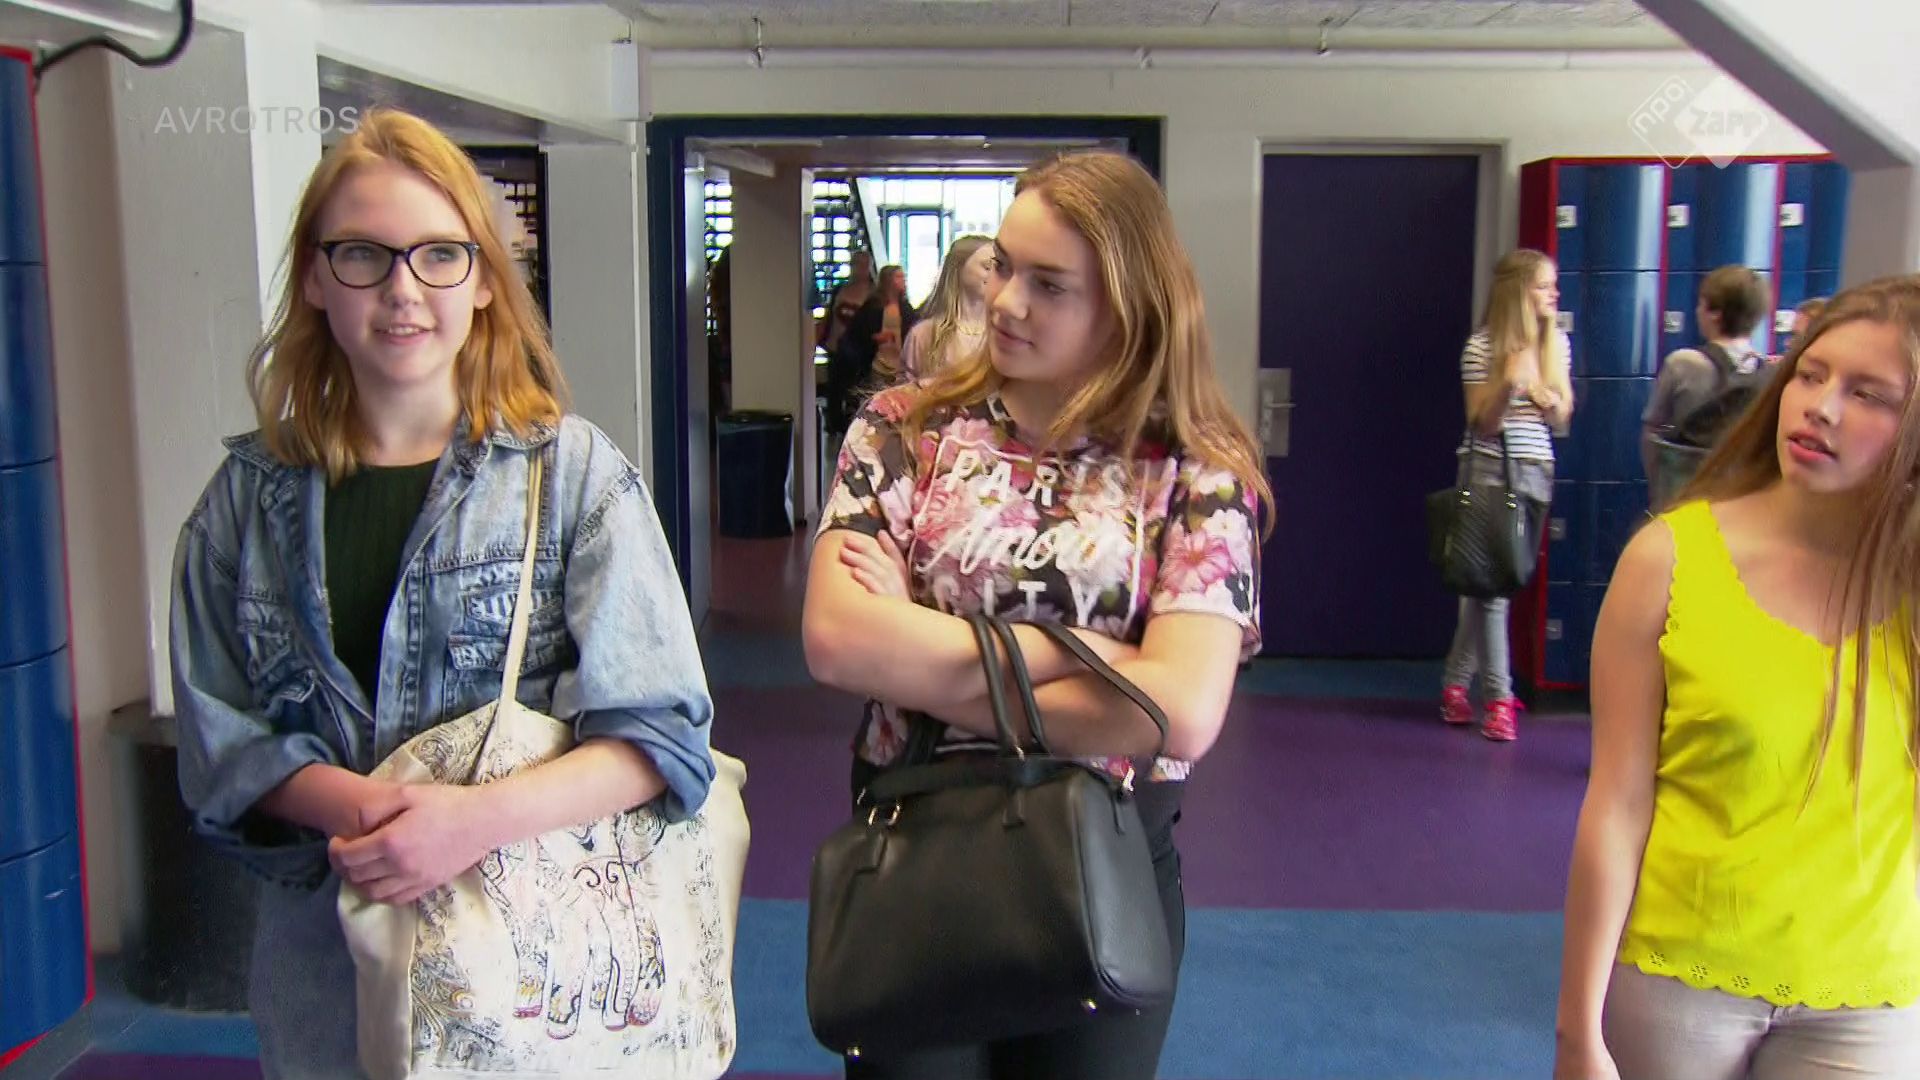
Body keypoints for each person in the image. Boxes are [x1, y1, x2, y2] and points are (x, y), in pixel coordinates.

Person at [168, 108, 717, 1078]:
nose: (402, 289)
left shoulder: (571, 476)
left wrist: (469, 822)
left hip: (531, 964)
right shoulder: (242, 505)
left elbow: (660, 736)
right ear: (314, 279)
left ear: (485, 281)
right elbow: (222, 744)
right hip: (328, 968)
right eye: (363, 255)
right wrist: (366, 810)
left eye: (438, 255)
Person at [802, 149, 1268, 1079]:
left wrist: (926, 657)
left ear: (1127, 307)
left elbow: (1179, 710)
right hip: (917, 839)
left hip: (1106, 850)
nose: (1007, 301)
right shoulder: (905, 428)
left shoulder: (1197, 469)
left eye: (1049, 285)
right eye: (1004, 267)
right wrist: (1087, 652)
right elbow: (838, 639)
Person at [1554, 275, 1920, 1080]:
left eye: (1867, 394)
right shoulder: (1669, 559)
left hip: (1871, 994)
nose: (1820, 407)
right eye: (1810, 375)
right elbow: (1616, 802)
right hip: (1679, 980)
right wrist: (1578, 1030)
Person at [1439, 248, 1573, 741]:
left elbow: (1562, 418)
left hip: (1536, 471)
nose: (1553, 294)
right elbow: (1483, 422)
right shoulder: (1481, 348)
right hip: (1490, 469)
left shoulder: (1556, 344)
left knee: (1494, 582)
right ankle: (1498, 699)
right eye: (1544, 286)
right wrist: (1509, 384)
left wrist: (1547, 397)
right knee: (1493, 588)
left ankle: (1454, 684)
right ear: (1518, 291)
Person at [1642, 265, 1773, 510]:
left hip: (1687, 498)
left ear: (1715, 314)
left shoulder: (1683, 363)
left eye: (1701, 304)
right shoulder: (1769, 374)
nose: (1697, 311)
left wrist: (1659, 493)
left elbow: (1652, 432)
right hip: (1743, 502)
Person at [827, 264, 917, 433]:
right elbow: (859, 332)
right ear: (888, 280)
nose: (902, 280)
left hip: (899, 365)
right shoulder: (873, 306)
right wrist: (876, 337)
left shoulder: (905, 307)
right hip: (877, 363)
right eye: (898, 277)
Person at [898, 234, 993, 381]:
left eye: (999, 269)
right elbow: (907, 390)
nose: (994, 275)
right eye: (987, 267)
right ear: (958, 268)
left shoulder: (1003, 333)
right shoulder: (925, 334)